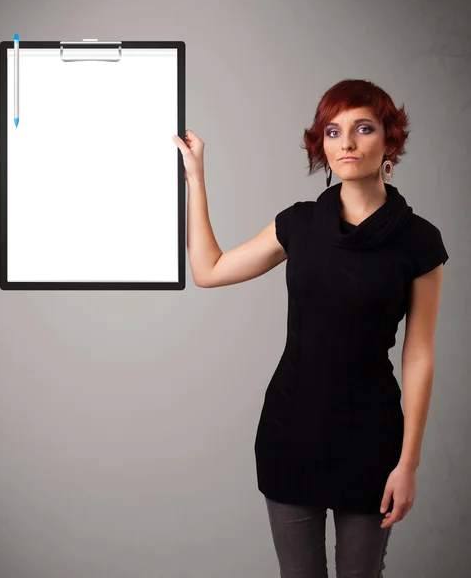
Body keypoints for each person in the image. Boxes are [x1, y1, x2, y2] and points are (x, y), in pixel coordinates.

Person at [173, 78, 449, 577]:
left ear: (389, 139)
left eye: (363, 128)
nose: (347, 142)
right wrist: (196, 178)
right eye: (332, 131)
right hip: (290, 434)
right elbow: (208, 271)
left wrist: (408, 463)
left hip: (373, 442)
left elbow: (419, 354)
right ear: (320, 145)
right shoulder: (298, 224)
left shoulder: (420, 242)